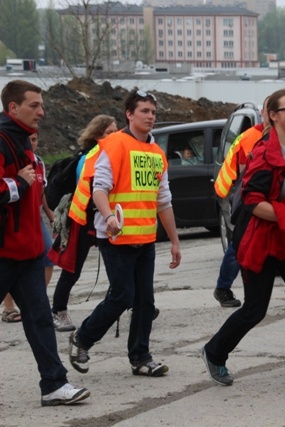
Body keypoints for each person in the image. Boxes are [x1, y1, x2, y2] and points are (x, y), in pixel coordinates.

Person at [201, 89, 285, 393]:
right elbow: (252, 202)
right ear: (273, 115)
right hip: (263, 241)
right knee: (255, 309)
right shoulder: (263, 154)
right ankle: (214, 351)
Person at [67, 89, 181, 377]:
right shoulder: (114, 145)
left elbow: (163, 200)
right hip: (115, 238)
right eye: (144, 111)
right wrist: (108, 217)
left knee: (146, 301)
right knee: (122, 296)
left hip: (145, 239)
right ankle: (82, 339)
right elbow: (99, 189)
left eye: (153, 112)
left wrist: (175, 242)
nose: (151, 116)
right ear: (129, 114)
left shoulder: (157, 154)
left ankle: (141, 357)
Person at [0, 79, 90, 405]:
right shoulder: (2, 142)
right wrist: (18, 184)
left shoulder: (24, 144)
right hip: (3, 252)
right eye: (34, 105)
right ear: (13, 108)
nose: (42, 111)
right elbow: (8, 189)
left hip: (27, 255)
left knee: (40, 319)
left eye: (42, 104)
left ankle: (54, 385)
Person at [50, 115, 118, 332]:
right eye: (109, 132)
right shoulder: (87, 159)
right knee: (73, 269)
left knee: (119, 264)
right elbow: (87, 189)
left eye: (116, 131)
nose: (115, 136)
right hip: (84, 220)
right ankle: (57, 310)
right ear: (97, 135)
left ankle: (135, 303)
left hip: (105, 217)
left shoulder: (112, 155)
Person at [212, 97, 270, 308]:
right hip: (249, 200)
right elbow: (244, 175)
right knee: (239, 245)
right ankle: (223, 288)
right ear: (265, 112)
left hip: (271, 203)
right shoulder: (248, 138)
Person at [2, 132, 55, 323]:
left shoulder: (38, 162)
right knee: (9, 266)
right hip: (14, 218)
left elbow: (41, 193)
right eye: (29, 140)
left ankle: (35, 299)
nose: (32, 143)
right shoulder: (13, 158)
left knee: (49, 255)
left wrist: (51, 216)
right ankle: (9, 308)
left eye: (35, 140)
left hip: (35, 217)